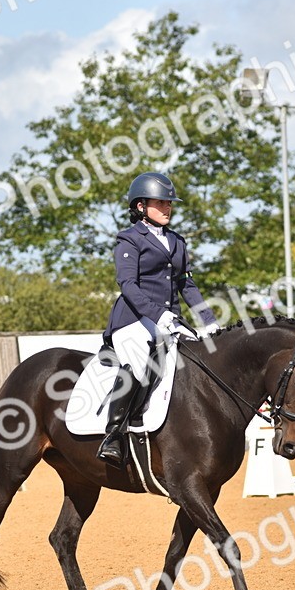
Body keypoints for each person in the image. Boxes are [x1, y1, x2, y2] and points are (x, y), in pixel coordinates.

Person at [96, 171, 220, 467]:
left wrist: (208, 320)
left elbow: (186, 285)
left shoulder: (177, 242)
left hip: (169, 320)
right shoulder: (128, 240)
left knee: (202, 356)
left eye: (169, 203)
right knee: (140, 362)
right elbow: (128, 286)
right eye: (161, 202)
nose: (168, 207)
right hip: (133, 320)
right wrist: (158, 314)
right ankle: (113, 435)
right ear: (140, 206)